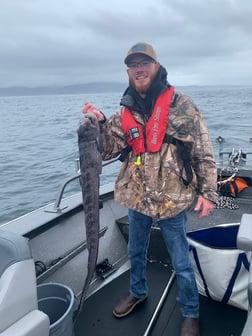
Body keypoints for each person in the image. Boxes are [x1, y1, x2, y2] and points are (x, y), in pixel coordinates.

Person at [82, 42, 217, 336]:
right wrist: (99, 123)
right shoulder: (123, 111)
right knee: (135, 251)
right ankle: (138, 291)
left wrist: (208, 193)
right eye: (133, 65)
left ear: (156, 67)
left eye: (144, 63)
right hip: (137, 198)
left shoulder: (183, 104)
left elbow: (204, 153)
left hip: (173, 200)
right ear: (129, 72)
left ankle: (190, 312)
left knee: (181, 260)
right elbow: (106, 150)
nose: (139, 69)